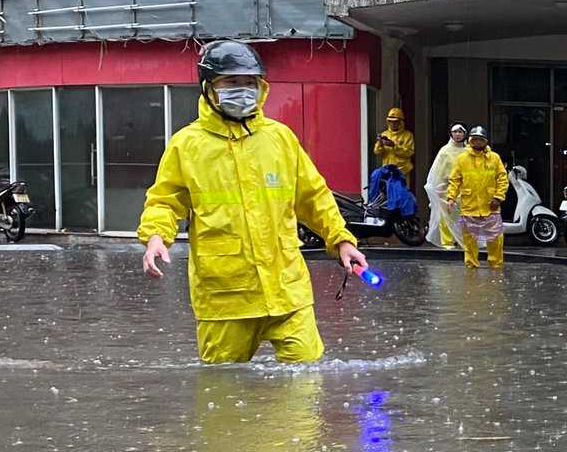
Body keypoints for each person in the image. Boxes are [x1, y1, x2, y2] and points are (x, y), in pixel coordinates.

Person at [139, 40, 365, 363]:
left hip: (288, 291)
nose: (243, 90)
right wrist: (156, 237)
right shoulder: (186, 146)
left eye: (250, 82)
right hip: (225, 299)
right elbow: (164, 201)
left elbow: (313, 196)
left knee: (305, 382)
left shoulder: (280, 139)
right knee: (224, 393)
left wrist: (341, 240)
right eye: (232, 82)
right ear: (209, 87)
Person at [445, 125, 511, 269]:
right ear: (470, 141)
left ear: (486, 141)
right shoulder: (462, 159)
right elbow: (455, 180)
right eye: (474, 139)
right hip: (470, 206)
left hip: (490, 206)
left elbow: (502, 179)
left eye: (480, 140)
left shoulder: (494, 158)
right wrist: (451, 198)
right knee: (469, 240)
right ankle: (471, 265)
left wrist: (498, 197)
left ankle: (496, 265)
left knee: (495, 239)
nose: (477, 142)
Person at [425, 123, 468, 247]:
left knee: (463, 217)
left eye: (460, 132)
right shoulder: (444, 151)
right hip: (446, 189)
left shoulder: (469, 151)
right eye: (455, 132)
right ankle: (447, 242)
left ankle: (462, 242)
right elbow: (438, 172)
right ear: (451, 134)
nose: (458, 135)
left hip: (465, 190)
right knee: (446, 216)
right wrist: (439, 188)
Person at [370, 107, 416, 203]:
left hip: (402, 170)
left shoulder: (407, 135)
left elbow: (409, 152)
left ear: (401, 122)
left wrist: (394, 146)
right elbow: (376, 152)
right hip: (387, 170)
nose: (393, 124)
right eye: (390, 122)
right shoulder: (385, 133)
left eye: (395, 122)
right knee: (386, 195)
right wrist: (380, 144)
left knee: (402, 195)